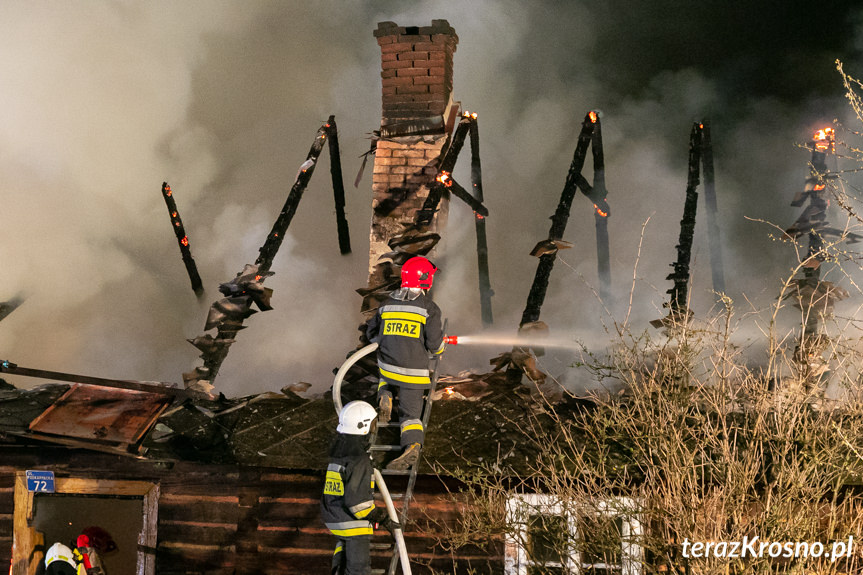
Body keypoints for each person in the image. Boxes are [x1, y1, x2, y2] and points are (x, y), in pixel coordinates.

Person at [366, 256, 445, 470]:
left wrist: (382, 343)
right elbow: (435, 344)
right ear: (425, 279)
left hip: (388, 366)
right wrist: (441, 349)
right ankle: (412, 445)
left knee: (384, 374)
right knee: (410, 414)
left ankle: (385, 395)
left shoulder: (386, 304)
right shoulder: (429, 308)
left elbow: (371, 332)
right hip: (413, 373)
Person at [321, 401, 397, 575]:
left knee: (343, 562)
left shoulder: (340, 452)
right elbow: (357, 502)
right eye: (372, 424)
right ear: (363, 426)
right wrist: (382, 519)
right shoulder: (359, 460)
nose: (374, 428)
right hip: (352, 524)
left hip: (333, 517)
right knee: (358, 571)